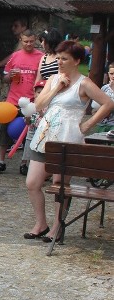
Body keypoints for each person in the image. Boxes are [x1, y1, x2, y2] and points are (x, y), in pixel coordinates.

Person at [24, 41, 113, 242]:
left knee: (59, 183)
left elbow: (108, 103)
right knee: (32, 182)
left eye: (65, 58)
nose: (60, 62)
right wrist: (55, 88)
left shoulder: (84, 83)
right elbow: (38, 105)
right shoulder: (54, 79)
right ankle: (41, 223)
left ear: (77, 61)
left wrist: (88, 124)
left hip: (67, 137)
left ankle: (57, 225)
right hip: (45, 136)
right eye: (58, 57)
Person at [0, 30, 43, 175]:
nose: (28, 44)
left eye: (31, 42)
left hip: (31, 102)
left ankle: (24, 163)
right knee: (3, 130)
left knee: (29, 133)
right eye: (26, 41)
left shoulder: (41, 57)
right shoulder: (15, 56)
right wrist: (10, 75)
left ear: (35, 41)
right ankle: (1, 162)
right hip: (12, 100)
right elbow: (5, 78)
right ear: (21, 40)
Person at [92, 62, 114, 132]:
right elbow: (96, 105)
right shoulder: (105, 88)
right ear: (108, 74)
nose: (113, 76)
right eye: (111, 74)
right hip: (102, 123)